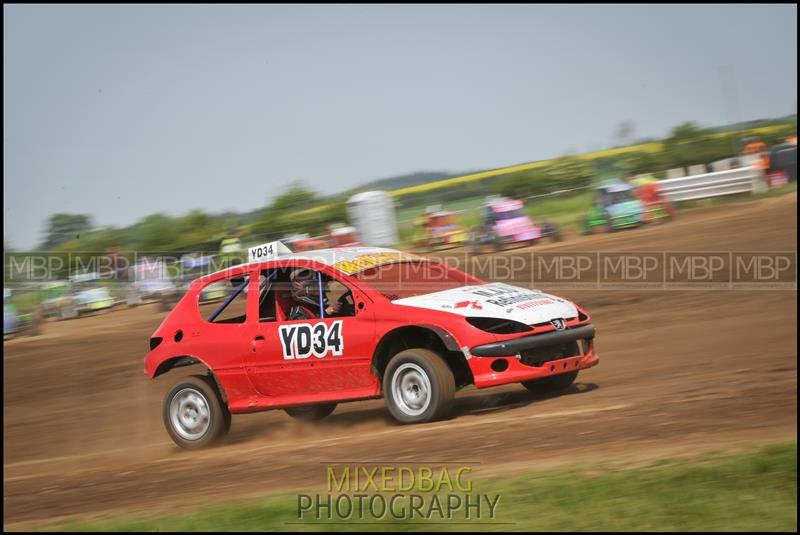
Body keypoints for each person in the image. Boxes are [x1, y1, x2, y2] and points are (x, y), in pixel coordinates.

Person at [287, 268, 353, 320]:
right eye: (313, 286)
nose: (319, 290)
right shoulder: (298, 311)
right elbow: (303, 331)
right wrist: (326, 312)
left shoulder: (320, 306)